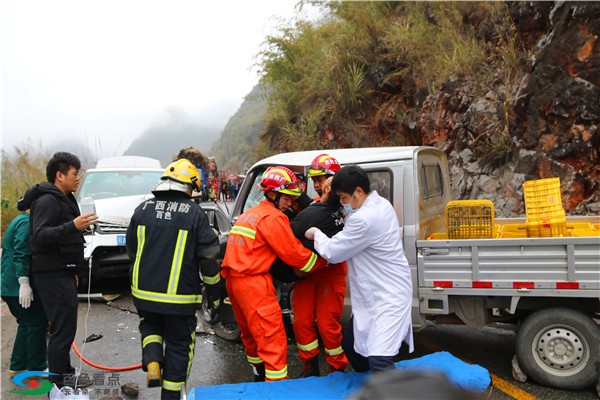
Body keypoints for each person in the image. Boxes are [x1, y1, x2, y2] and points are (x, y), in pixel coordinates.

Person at [126, 159, 221, 400]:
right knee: (180, 347)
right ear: (188, 187)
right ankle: (170, 396)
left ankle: (153, 359)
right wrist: (216, 291)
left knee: (150, 326)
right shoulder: (195, 214)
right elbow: (209, 260)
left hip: (143, 294)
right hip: (180, 299)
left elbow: (132, 251)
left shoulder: (142, 209)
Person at [221, 166, 327, 382]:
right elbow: (294, 255)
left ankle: (258, 380)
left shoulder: (248, 215)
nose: (290, 203)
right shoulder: (273, 218)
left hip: (234, 282)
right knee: (273, 341)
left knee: (251, 337)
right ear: (272, 193)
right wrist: (322, 262)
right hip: (254, 284)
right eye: (286, 198)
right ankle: (276, 390)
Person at [305, 165, 414, 373]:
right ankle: (373, 386)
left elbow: (333, 251)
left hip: (388, 297)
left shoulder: (365, 219)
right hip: (374, 294)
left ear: (358, 192)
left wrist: (317, 233)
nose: (343, 203)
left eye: (344, 198)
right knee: (351, 346)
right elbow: (351, 220)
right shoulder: (381, 203)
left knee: (380, 360)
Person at [20, 152, 97, 387]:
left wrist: (71, 270)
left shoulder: (64, 198)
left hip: (61, 271)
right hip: (51, 274)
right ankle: (58, 386)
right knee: (61, 332)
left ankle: (66, 374)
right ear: (59, 175)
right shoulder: (47, 200)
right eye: (75, 173)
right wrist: (72, 225)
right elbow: (41, 235)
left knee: (65, 329)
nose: (78, 178)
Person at [288, 177, 349, 377]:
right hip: (307, 272)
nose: (317, 183)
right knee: (301, 322)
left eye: (319, 179)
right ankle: (310, 366)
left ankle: (338, 368)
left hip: (331, 272)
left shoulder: (345, 211)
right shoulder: (312, 209)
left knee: (327, 325)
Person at [1, 200, 49, 377]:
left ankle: (18, 365)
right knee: (37, 322)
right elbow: (21, 252)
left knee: (26, 323)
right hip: (17, 286)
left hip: (9, 285)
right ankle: (37, 366)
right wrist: (24, 282)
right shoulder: (25, 222)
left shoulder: (19, 219)